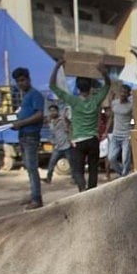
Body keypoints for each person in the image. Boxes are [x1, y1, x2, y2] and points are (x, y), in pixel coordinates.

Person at [49, 61, 110, 191]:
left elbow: (52, 86)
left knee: (77, 170)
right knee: (93, 169)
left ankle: (82, 188)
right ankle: (92, 192)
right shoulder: (96, 100)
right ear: (90, 87)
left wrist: (56, 67)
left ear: (77, 87)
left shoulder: (73, 100)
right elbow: (108, 85)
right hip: (93, 140)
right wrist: (104, 73)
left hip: (78, 142)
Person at [10, 67, 46, 209]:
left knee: (32, 167)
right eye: (18, 81)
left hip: (31, 136)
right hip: (23, 135)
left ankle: (37, 199)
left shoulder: (35, 94)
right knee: (28, 167)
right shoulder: (24, 96)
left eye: (23, 80)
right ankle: (33, 194)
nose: (21, 83)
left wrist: (21, 123)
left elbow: (39, 115)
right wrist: (15, 123)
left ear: (29, 79)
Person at [107, 85, 134, 177]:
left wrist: (132, 129)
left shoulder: (131, 106)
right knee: (111, 158)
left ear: (128, 94)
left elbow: (134, 119)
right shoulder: (115, 103)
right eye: (121, 92)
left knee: (125, 158)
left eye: (125, 92)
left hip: (126, 135)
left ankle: (124, 175)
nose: (123, 94)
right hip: (115, 135)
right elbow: (111, 117)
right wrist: (106, 131)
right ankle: (122, 172)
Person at [44, 104, 71, 184]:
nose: (52, 113)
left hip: (66, 145)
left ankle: (75, 179)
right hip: (58, 146)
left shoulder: (62, 120)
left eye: (54, 111)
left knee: (72, 164)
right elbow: (52, 134)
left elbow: (69, 126)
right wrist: (52, 142)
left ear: (57, 111)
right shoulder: (51, 122)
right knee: (51, 163)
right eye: (51, 111)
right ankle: (48, 178)